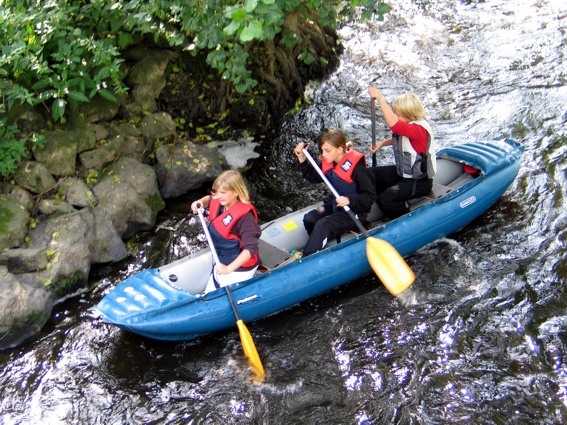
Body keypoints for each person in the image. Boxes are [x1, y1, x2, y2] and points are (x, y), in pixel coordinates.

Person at [293, 129, 376, 257]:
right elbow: (313, 177)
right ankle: (319, 245)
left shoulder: (358, 170)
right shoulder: (329, 162)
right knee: (309, 219)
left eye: (327, 150)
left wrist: (349, 200)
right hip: (336, 205)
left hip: (354, 211)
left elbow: (370, 197)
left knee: (322, 225)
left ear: (340, 149)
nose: (323, 155)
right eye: (322, 150)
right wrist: (302, 158)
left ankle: (307, 257)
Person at [367, 87, 436, 220]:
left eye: (398, 114)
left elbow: (395, 126)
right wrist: (382, 143)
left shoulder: (419, 130)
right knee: (371, 174)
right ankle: (380, 205)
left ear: (410, 115)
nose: (395, 117)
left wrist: (380, 99)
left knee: (385, 199)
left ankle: (405, 218)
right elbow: (401, 140)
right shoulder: (410, 126)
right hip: (403, 173)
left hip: (419, 181)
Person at [191, 170, 262, 293]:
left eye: (223, 192)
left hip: (239, 268)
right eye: (217, 192)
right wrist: (200, 203)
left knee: (213, 296)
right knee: (209, 294)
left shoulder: (245, 218)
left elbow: (250, 249)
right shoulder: (221, 200)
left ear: (235, 192)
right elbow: (209, 199)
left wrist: (229, 269)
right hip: (221, 259)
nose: (218, 196)